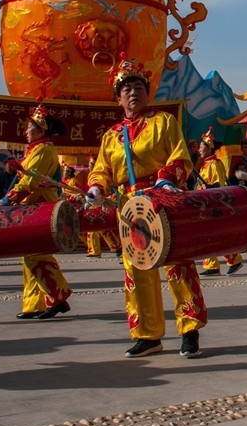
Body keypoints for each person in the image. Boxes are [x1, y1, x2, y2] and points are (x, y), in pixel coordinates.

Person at [86, 56, 205, 358]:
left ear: (148, 93)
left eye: (139, 87)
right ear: (118, 98)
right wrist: (97, 187)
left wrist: (166, 179)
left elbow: (180, 157)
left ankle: (189, 327)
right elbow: (101, 169)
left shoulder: (163, 122)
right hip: (129, 205)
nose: (133, 93)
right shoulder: (111, 136)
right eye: (126, 89)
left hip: (162, 199)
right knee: (137, 270)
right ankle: (148, 334)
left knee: (177, 263)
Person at [0, 101, 74, 320]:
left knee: (34, 255)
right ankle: (35, 304)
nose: (25, 130)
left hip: (39, 209)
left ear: (41, 129)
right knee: (31, 254)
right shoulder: (36, 150)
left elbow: (29, 182)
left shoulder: (44, 150)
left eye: (29, 127)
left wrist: (6, 200)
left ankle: (57, 297)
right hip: (30, 208)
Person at [195, 127, 244, 276]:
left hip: (214, 205)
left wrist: (209, 187)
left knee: (218, 236)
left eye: (201, 147)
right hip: (204, 205)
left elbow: (220, 185)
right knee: (206, 236)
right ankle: (211, 265)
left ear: (209, 149)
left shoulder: (215, 164)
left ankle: (235, 259)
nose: (199, 150)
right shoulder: (205, 165)